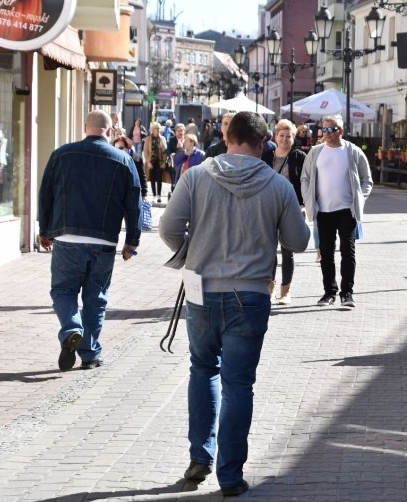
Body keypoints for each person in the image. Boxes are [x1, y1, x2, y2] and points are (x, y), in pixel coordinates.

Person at [158, 111, 309, 496]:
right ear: (262, 145)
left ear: (228, 138)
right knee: (239, 384)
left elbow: (168, 228)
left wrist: (194, 251)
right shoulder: (277, 185)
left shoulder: (196, 176)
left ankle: (199, 455)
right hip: (251, 291)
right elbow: (298, 242)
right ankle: (229, 475)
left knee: (202, 368)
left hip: (199, 286)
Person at [38, 110, 141, 371]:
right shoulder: (123, 160)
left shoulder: (62, 154)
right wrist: (132, 241)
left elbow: (46, 194)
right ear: (109, 130)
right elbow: (134, 203)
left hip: (67, 237)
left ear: (86, 127)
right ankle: (90, 354)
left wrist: (45, 229)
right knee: (96, 298)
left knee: (63, 290)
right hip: (104, 241)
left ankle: (72, 329)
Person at [301, 114, 373, 308]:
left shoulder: (353, 151)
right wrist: (309, 201)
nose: (327, 133)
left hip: (346, 211)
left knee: (348, 252)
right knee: (326, 252)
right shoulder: (316, 152)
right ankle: (329, 292)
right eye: (324, 129)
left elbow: (367, 179)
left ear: (340, 131)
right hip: (323, 211)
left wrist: (360, 199)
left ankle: (347, 293)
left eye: (331, 129)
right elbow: (305, 178)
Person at [261, 119, 307, 305]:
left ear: (294, 137)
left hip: (291, 207)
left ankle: (286, 291)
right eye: (282, 135)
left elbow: (306, 182)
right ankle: (270, 290)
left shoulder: (299, 156)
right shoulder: (267, 155)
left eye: (289, 136)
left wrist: (304, 205)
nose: (285, 139)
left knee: (287, 250)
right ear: (275, 136)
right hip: (269, 207)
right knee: (270, 250)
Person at [113, 135, 148, 200]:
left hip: (134, 193)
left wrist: (144, 194)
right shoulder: (114, 159)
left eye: (121, 148)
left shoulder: (137, 158)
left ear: (128, 147)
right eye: (115, 149)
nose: (117, 151)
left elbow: (142, 176)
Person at [143, 122, 168, 203]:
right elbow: (145, 152)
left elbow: (165, 152)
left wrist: (164, 162)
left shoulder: (163, 139)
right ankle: (154, 195)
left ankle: (159, 195)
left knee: (159, 178)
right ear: (152, 130)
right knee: (152, 178)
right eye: (156, 129)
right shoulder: (148, 139)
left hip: (160, 162)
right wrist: (148, 162)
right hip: (151, 162)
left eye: (159, 129)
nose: (157, 130)